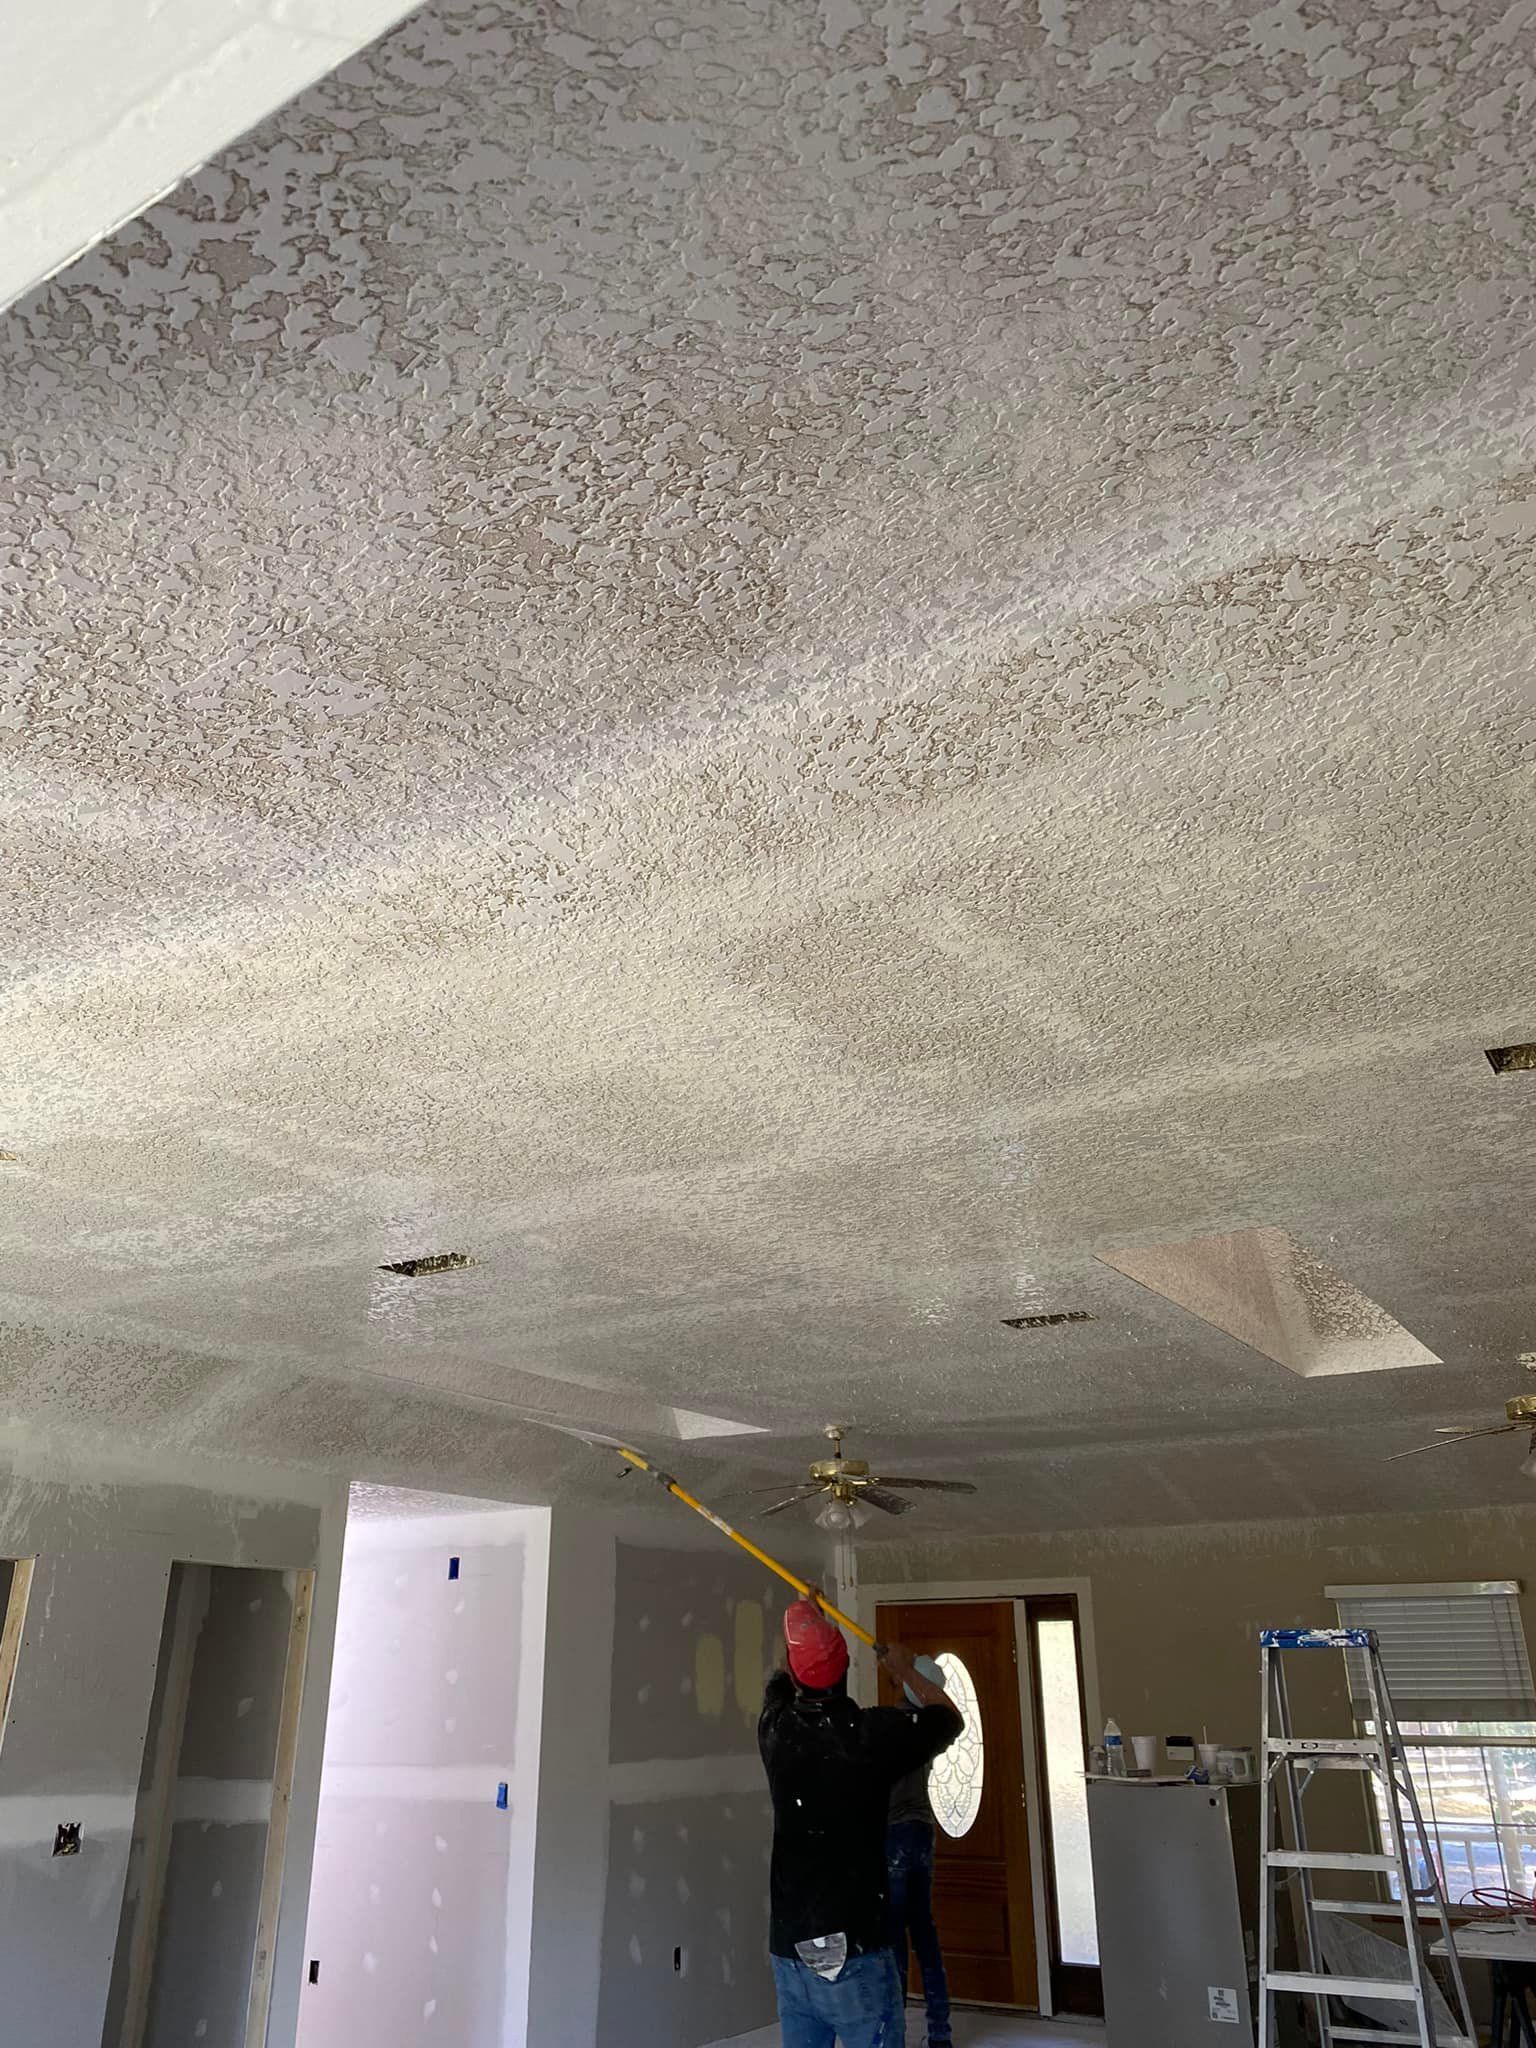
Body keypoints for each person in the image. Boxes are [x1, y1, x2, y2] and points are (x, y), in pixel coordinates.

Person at [759, 1592, 962, 2048]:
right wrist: (904, 1669)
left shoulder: (775, 1728)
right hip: (856, 1950)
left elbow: (779, 1674)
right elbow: (948, 1718)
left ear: (795, 1672)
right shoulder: (872, 1735)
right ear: (848, 1665)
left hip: (790, 1950)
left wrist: (802, 1618)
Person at [886, 1654, 953, 2048]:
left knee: (893, 1935)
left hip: (893, 1833)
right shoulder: (931, 1728)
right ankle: (940, 2033)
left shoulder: (890, 1724)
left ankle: (893, 2035)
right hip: (922, 1832)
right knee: (923, 1931)